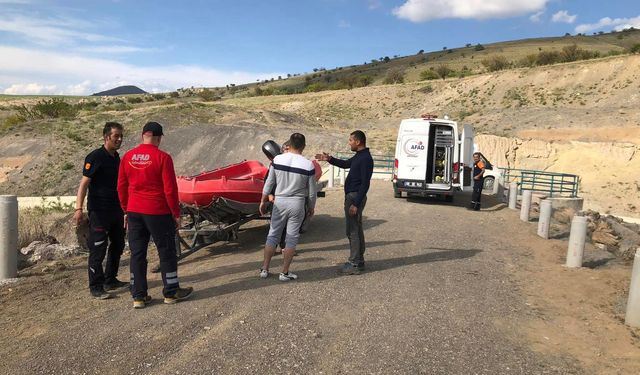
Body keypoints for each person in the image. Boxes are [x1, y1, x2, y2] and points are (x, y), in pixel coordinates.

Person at [117, 121, 193, 308]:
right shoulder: (163, 157)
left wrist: (126, 209)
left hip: (134, 211)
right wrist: (175, 213)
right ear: (158, 138)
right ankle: (171, 292)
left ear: (143, 135)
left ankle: (138, 296)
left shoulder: (127, 157)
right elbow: (170, 189)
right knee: (166, 251)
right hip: (157, 211)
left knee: (137, 253)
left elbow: (121, 186)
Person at [73, 122, 128, 300]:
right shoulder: (94, 157)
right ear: (106, 137)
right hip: (99, 211)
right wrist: (79, 208)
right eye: (116, 136)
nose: (119, 139)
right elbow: (84, 184)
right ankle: (96, 286)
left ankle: (110, 279)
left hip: (116, 210)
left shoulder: (116, 157)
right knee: (98, 248)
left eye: (121, 136)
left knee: (118, 244)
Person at [259, 133, 316, 281]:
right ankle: (284, 272)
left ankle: (265, 269)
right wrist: (311, 207)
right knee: (291, 238)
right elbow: (311, 192)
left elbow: (269, 183)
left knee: (273, 235)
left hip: (280, 202)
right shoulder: (308, 164)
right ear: (303, 146)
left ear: (289, 144)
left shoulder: (277, 159)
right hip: (297, 204)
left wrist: (263, 200)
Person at [316, 130, 373, 275]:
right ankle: (359, 261)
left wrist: (356, 203)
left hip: (355, 198)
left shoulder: (366, 158)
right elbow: (346, 164)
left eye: (350, 140)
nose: (349, 143)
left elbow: (365, 183)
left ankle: (354, 264)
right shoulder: (360, 156)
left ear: (358, 142)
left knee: (352, 231)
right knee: (357, 229)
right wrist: (329, 159)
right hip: (353, 197)